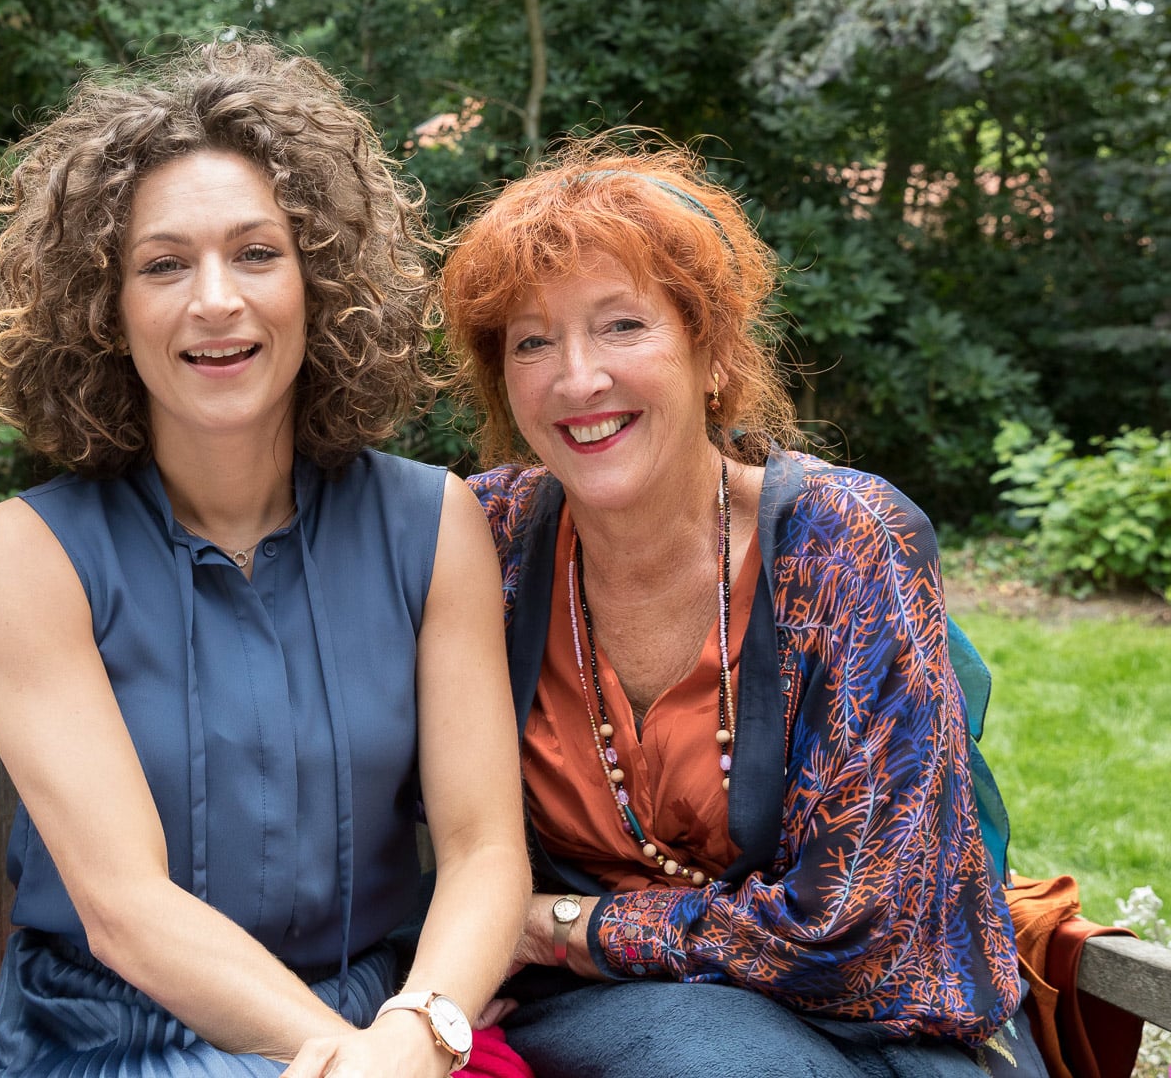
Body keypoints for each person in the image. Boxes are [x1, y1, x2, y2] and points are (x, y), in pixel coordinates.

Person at [0, 40, 531, 1078]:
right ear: (104, 309)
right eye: (163, 264)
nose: (215, 300)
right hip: (112, 1039)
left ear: (320, 284)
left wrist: (416, 1033)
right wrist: (350, 1062)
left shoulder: (432, 524)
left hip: (389, 1018)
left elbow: (485, 849)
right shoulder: (29, 553)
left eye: (257, 254)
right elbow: (125, 909)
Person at [440, 134, 1043, 1075]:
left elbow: (857, 931)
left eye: (622, 325)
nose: (577, 377)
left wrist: (560, 924)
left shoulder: (846, 541)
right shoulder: (484, 542)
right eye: (532, 342)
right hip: (621, 1019)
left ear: (712, 352)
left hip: (877, 1019)